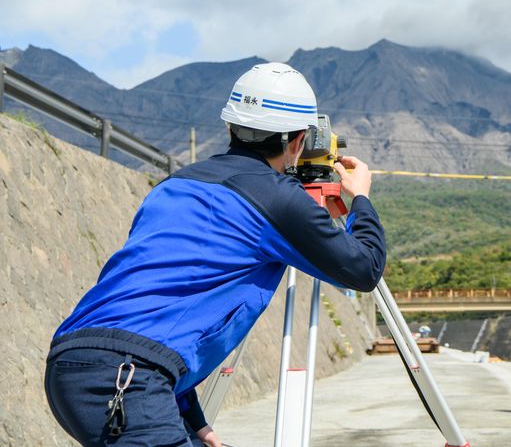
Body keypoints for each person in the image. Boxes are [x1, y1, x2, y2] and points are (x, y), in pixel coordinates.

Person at [44, 62, 387, 446]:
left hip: (74, 360)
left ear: (229, 127)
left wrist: (193, 420)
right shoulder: (277, 199)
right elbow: (364, 268)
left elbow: (159, 309)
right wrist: (360, 198)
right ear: (299, 140)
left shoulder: (173, 186)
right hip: (128, 377)